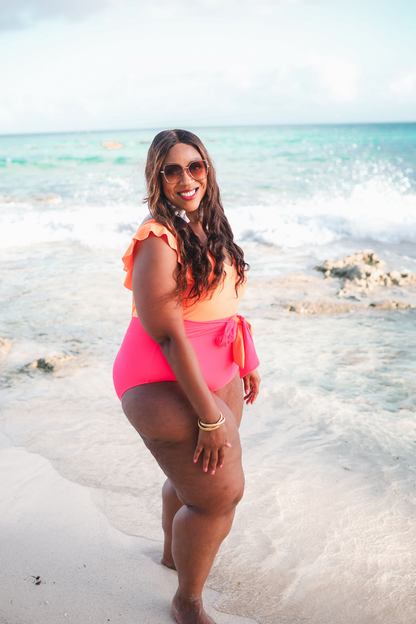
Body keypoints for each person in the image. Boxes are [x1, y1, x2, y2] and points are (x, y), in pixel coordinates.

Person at [113, 129, 260, 624]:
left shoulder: (208, 223)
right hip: (160, 376)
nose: (186, 178)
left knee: (192, 481)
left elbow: (222, 304)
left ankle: (174, 558)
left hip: (218, 368)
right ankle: (187, 601)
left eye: (194, 166)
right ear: (157, 177)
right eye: (172, 169)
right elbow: (170, 336)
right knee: (220, 496)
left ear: (207, 168)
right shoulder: (159, 237)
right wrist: (208, 417)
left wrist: (247, 359)